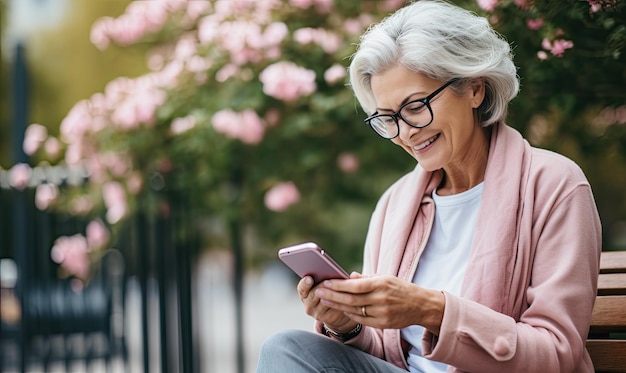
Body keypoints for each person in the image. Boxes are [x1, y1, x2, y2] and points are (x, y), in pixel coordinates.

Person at [256, 0, 602, 371]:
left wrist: (432, 310)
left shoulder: (555, 186)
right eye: (388, 118)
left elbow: (557, 354)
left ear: (474, 88)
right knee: (286, 348)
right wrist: (348, 325)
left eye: (416, 106)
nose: (405, 132)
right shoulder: (396, 203)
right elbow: (390, 353)